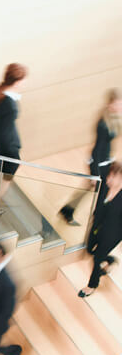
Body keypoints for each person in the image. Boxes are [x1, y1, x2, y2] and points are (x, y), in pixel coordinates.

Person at [59, 89, 122, 226]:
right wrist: (95, 173)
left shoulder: (114, 118)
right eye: (116, 104)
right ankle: (95, 219)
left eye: (120, 105)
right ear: (109, 104)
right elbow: (97, 149)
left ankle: (67, 210)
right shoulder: (103, 124)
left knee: (89, 189)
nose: (119, 107)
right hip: (99, 163)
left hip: (106, 160)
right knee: (101, 192)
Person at [0, 63, 28, 215]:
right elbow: (4, 132)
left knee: (2, 175)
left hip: (1, 144)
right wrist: (14, 155)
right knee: (5, 179)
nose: (25, 83)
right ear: (16, 82)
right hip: (8, 148)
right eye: (23, 80)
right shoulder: (10, 105)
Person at [78, 162, 122, 297]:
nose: (108, 179)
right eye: (109, 176)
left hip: (113, 234)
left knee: (97, 259)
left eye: (112, 177)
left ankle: (92, 285)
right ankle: (110, 261)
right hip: (97, 226)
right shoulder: (105, 186)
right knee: (90, 249)